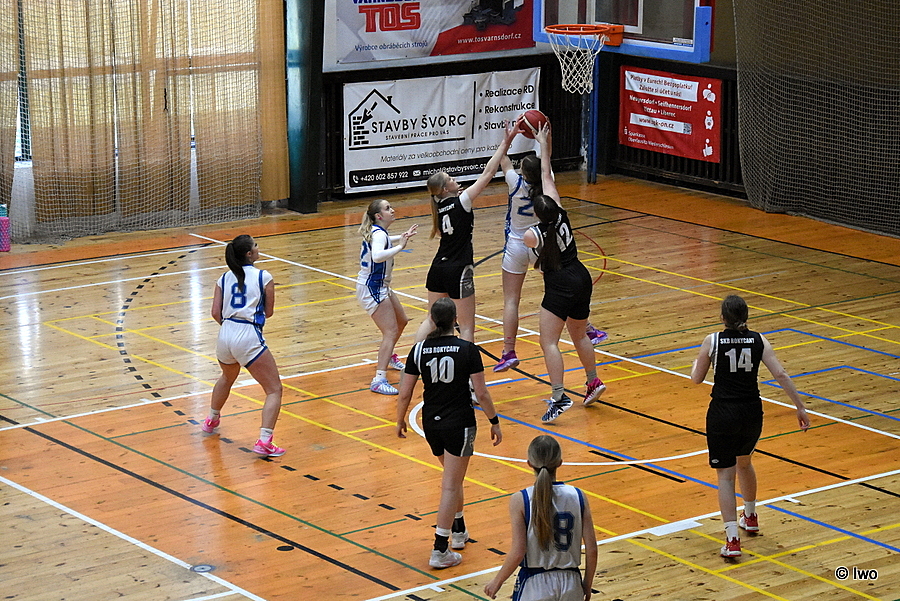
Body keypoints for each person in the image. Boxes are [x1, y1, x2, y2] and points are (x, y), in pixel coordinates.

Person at [691, 294, 810, 558]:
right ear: (746, 316)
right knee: (744, 463)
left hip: (723, 413)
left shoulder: (713, 340)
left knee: (725, 475)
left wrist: (695, 365)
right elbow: (780, 373)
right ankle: (751, 515)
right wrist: (800, 406)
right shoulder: (759, 340)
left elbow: (697, 379)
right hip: (751, 412)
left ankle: (732, 539)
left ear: (723, 317)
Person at [396, 297, 503, 569]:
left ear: (432, 321)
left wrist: (399, 419)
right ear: (455, 320)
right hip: (459, 424)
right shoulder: (467, 349)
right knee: (451, 484)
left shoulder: (418, 350)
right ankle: (440, 548)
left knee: (452, 479)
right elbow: (481, 393)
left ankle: (458, 529)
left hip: (431, 424)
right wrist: (494, 420)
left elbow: (405, 392)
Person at [494, 137, 606, 373]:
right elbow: (545, 166)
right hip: (545, 244)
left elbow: (502, 159)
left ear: (523, 173)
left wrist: (509, 137)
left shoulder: (514, 181)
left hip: (518, 244)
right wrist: (544, 140)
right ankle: (587, 328)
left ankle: (508, 352)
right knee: (563, 290)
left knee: (511, 300)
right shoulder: (547, 185)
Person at [523, 123, 606, 423]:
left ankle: (559, 396)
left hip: (560, 284)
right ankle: (593, 381)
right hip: (581, 276)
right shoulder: (560, 213)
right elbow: (546, 175)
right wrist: (544, 143)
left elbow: (530, 252)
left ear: (536, 213)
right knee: (579, 333)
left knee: (548, 342)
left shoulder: (532, 235)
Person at [413, 122, 520, 344]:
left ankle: (415, 357)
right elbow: (488, 173)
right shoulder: (462, 201)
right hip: (459, 269)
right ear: (445, 189)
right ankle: (467, 365)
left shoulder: (438, 207)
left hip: (438, 267)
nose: (455, 180)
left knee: (431, 320)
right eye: (450, 179)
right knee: (467, 326)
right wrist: (505, 143)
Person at [200, 234, 286, 457]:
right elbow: (268, 312)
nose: (258, 247)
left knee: (227, 377)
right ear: (249, 254)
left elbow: (215, 312)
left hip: (225, 333)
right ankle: (265, 440)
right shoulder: (264, 277)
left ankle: (211, 419)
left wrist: (230, 327)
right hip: (248, 333)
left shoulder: (223, 278)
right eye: (256, 245)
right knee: (274, 389)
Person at [484, 435, 597, 601]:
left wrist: (497, 581)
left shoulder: (520, 499)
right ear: (560, 462)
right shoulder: (578, 495)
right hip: (571, 582)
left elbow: (518, 552)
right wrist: (587, 584)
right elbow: (592, 549)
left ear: (529, 463)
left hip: (534, 584)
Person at [357, 199, 419, 395]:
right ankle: (379, 379)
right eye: (387, 208)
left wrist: (401, 236)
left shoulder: (378, 232)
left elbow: (383, 240)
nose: (392, 210)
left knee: (401, 321)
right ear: (379, 216)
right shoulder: (378, 235)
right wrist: (400, 246)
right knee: (390, 331)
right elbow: (377, 256)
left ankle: (389, 355)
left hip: (380, 285)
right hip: (372, 288)